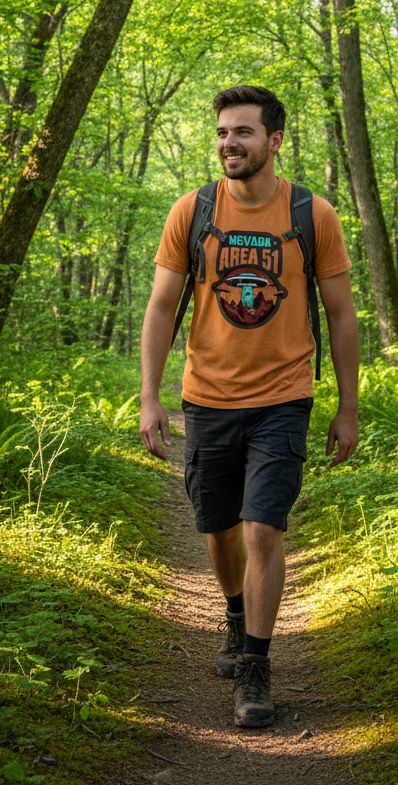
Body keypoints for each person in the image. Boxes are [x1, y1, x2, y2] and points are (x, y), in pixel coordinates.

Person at [139, 85, 360, 729]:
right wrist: (150, 397)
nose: (229, 143)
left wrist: (348, 408)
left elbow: (342, 316)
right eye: (223, 132)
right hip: (206, 397)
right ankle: (235, 614)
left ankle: (258, 668)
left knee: (264, 527)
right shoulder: (193, 211)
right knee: (218, 528)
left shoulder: (311, 214)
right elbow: (160, 307)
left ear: (274, 141)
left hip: (284, 398)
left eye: (243, 132)